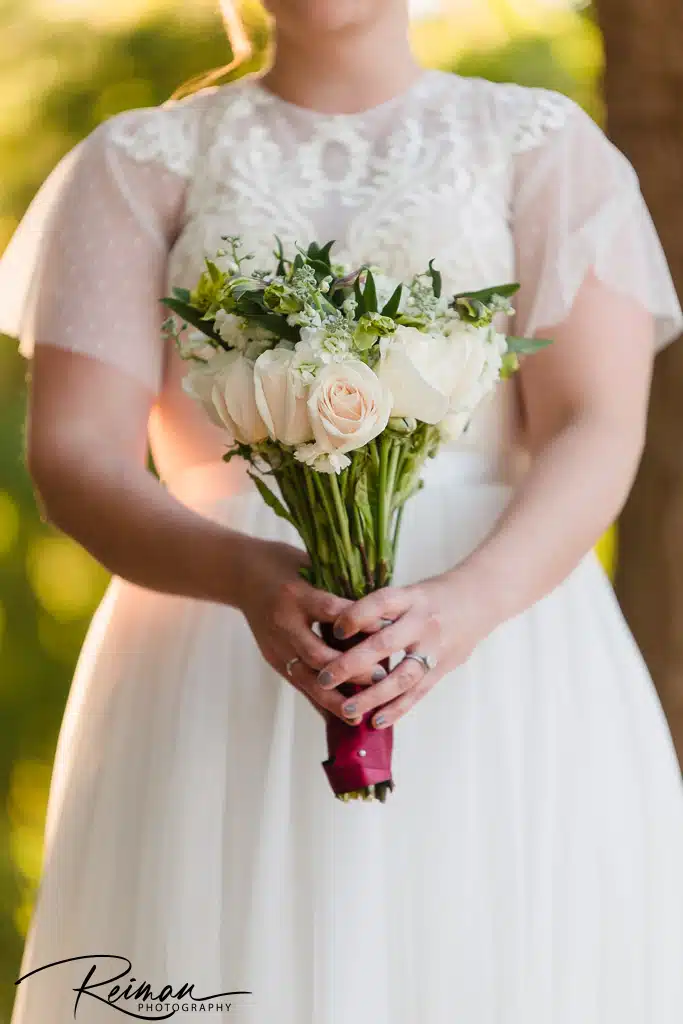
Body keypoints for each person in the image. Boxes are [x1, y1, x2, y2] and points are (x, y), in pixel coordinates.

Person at [2, 1, 683, 1021]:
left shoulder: (535, 145)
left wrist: (460, 608)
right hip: (207, 646)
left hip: (503, 651)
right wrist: (239, 573)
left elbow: (595, 420)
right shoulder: (138, 161)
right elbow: (74, 453)